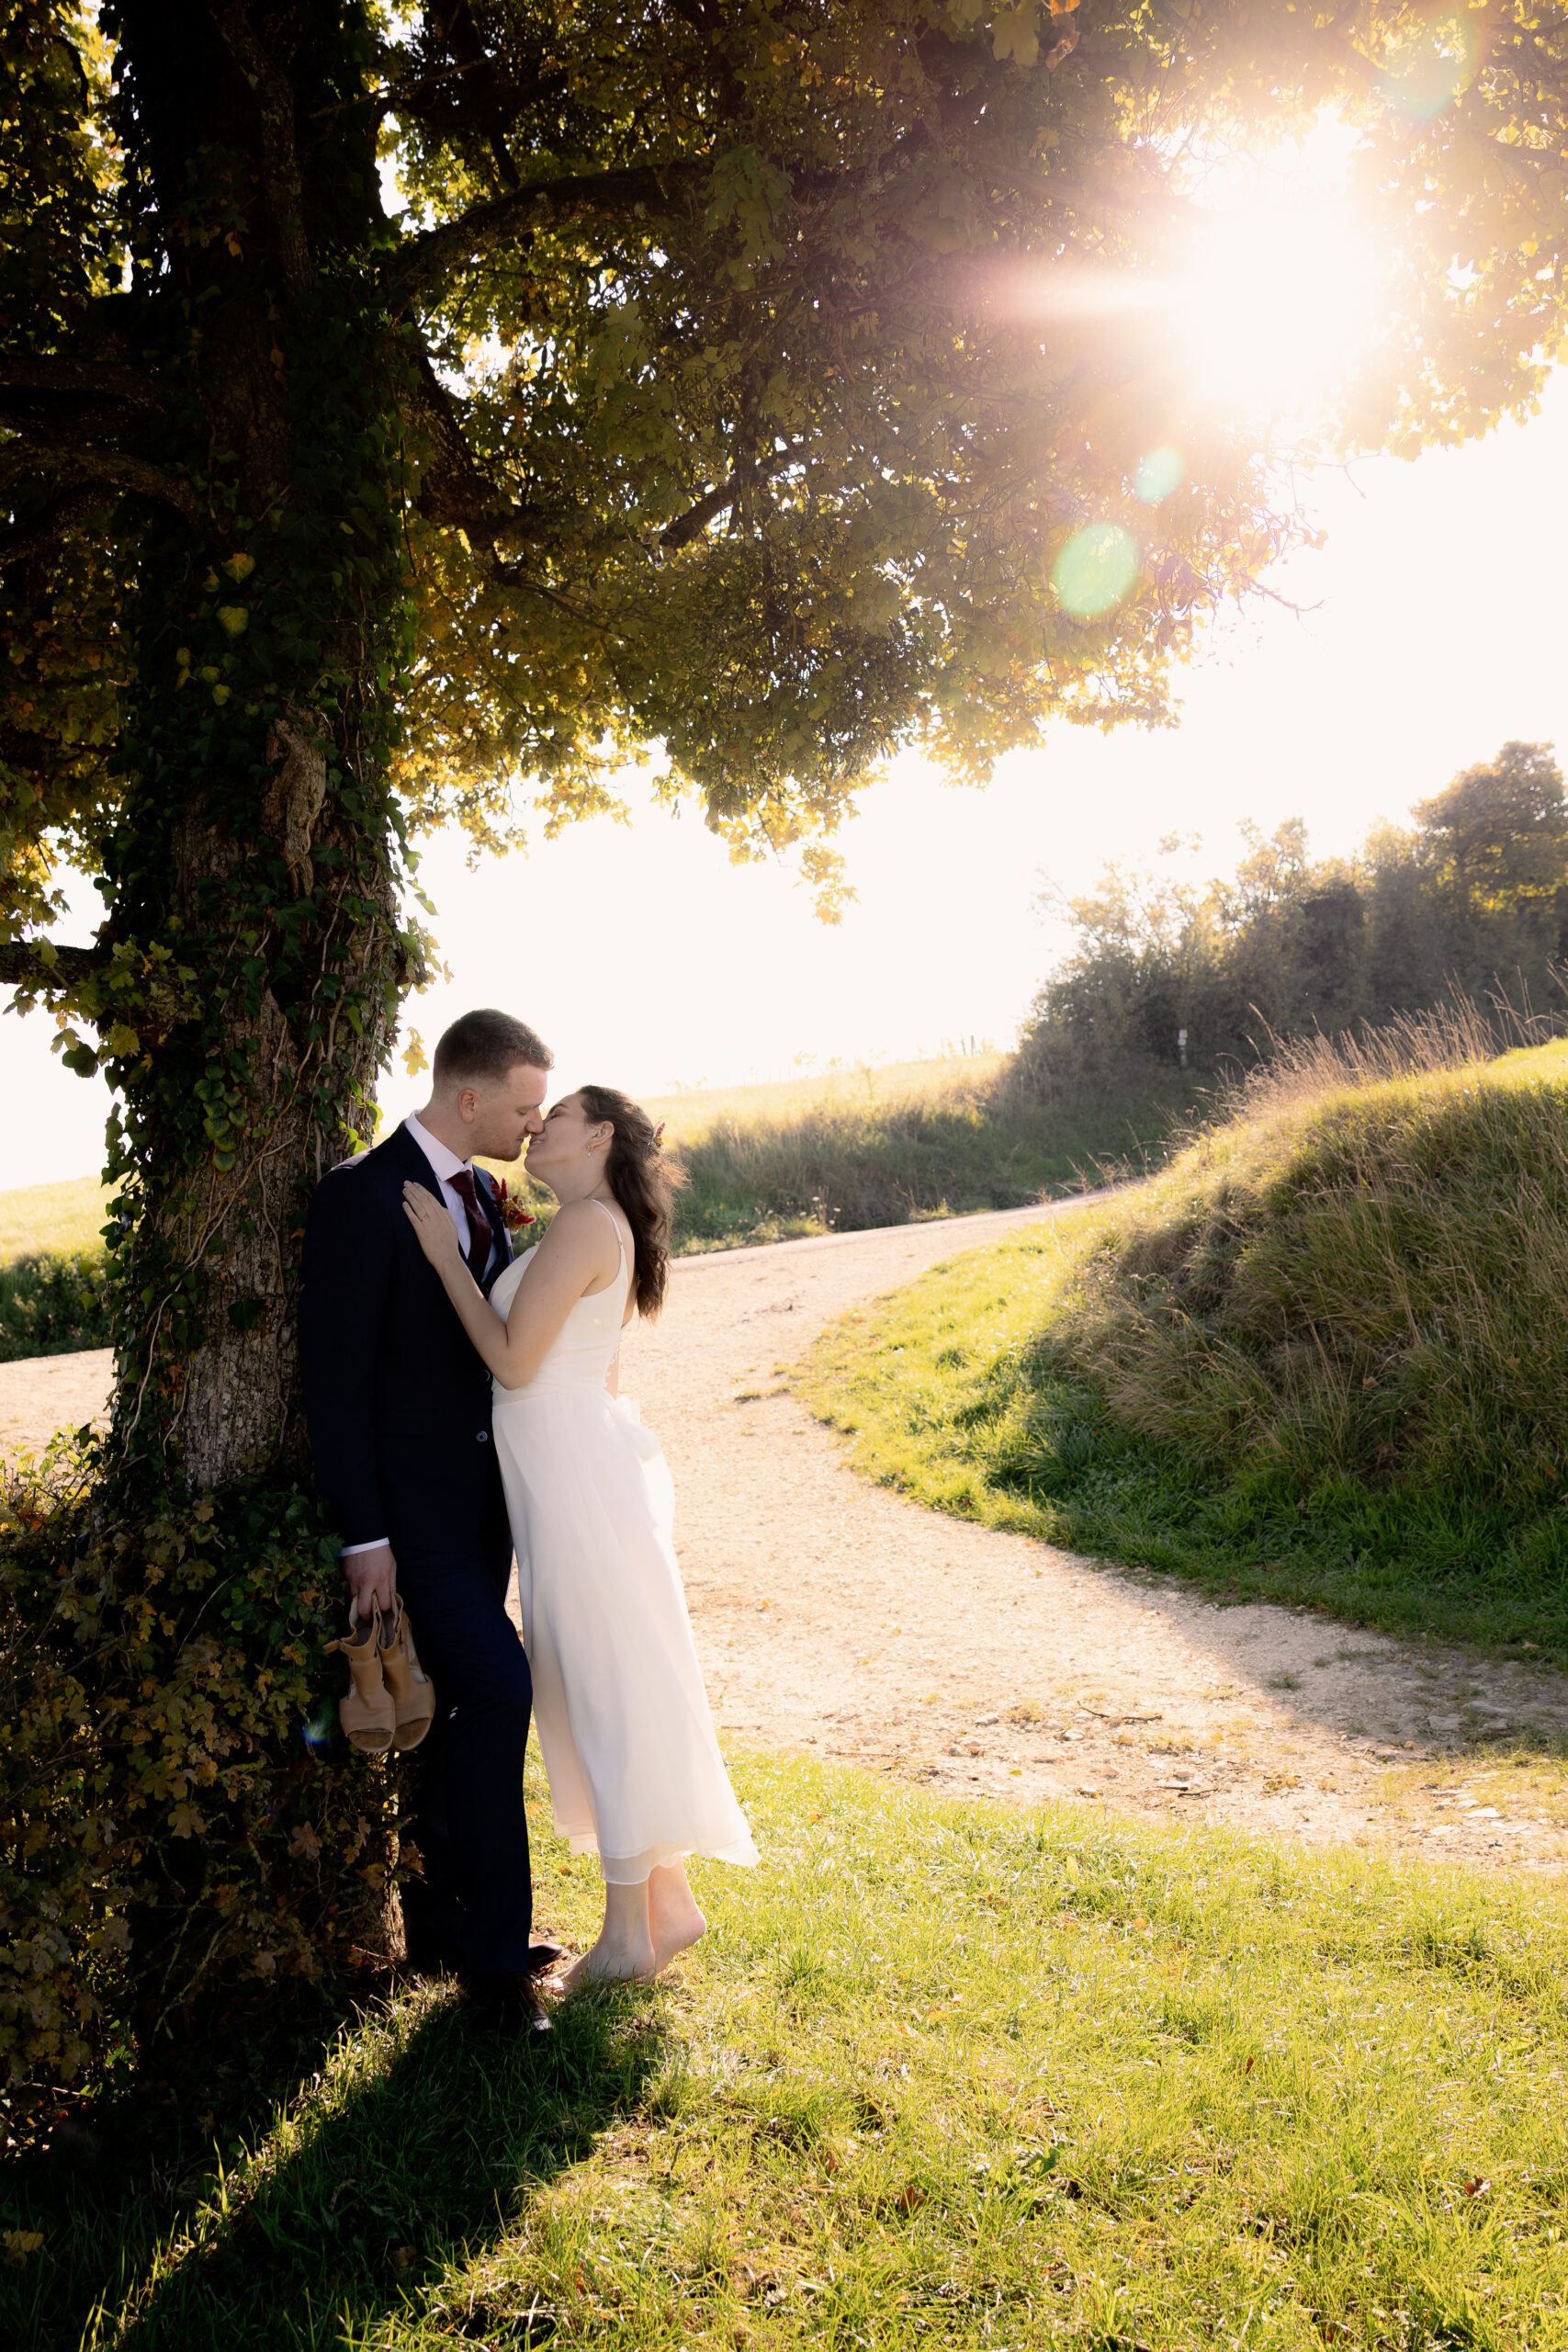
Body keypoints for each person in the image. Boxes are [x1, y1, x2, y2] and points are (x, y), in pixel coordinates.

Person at [401, 1082, 758, 1984]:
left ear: (598, 1133)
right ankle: (666, 1908)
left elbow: (517, 1363)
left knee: (605, 1692)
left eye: (555, 1113)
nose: (538, 1124)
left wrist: (447, 1258)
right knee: (607, 1685)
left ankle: (630, 1937)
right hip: (569, 1478)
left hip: (572, 1486)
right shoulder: (592, 1225)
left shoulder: (589, 1225)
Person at [299, 1007, 558, 2031]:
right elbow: (334, 1381)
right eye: (523, 1104)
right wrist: (366, 1537)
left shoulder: (487, 1195)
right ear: (468, 1097)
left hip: (485, 1514)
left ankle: (444, 1923)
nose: (533, 1124)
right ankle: (499, 1969)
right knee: (500, 1690)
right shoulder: (360, 1199)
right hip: (413, 1526)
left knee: (461, 1714)